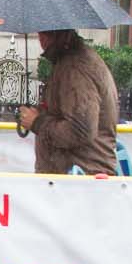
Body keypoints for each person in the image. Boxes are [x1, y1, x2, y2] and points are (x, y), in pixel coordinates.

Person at [22, 29, 117, 176]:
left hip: (78, 180)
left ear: (47, 36)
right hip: (72, 177)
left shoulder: (75, 68)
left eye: (40, 33)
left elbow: (81, 130)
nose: (39, 39)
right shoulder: (69, 62)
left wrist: (37, 122)